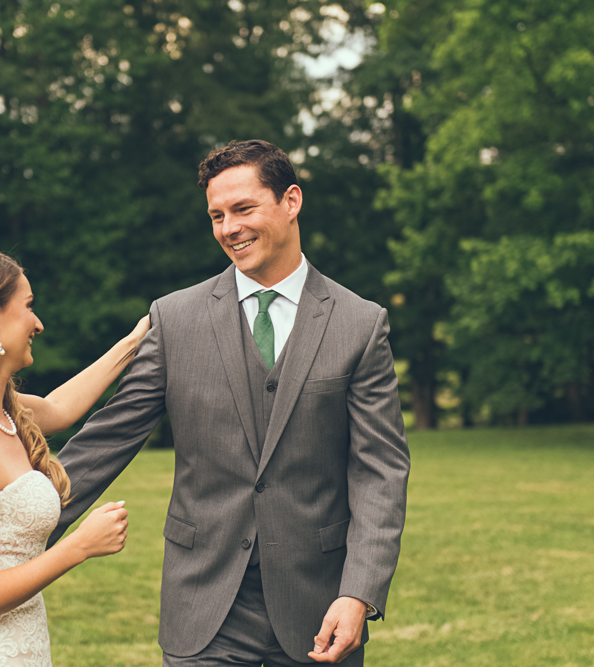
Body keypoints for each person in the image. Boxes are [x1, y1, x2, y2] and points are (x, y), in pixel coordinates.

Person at [48, 140, 410, 666]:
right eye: (217, 215)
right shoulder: (175, 320)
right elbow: (109, 438)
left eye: (243, 209)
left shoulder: (360, 324)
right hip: (204, 603)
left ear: (291, 201)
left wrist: (359, 592)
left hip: (320, 605)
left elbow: (380, 470)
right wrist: (22, 526)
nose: (228, 228)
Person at [0, 244, 149, 666]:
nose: (38, 322)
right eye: (29, 306)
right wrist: (78, 547)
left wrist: (137, 340)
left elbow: (61, 408)